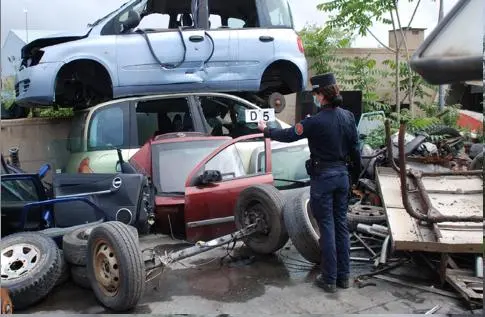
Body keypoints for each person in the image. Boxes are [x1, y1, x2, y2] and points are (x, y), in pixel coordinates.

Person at [257, 73, 361, 293]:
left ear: (321, 95)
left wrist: (266, 130)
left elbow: (288, 135)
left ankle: (329, 279)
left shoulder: (315, 121)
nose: (314, 97)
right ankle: (344, 277)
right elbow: (355, 151)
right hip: (342, 177)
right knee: (341, 226)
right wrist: (354, 175)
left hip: (323, 179)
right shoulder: (349, 117)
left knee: (328, 227)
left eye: (315, 94)